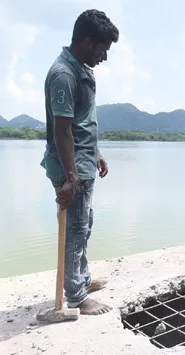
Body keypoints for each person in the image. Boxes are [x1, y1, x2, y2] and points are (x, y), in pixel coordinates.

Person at [39, 10, 119, 315]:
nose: (104, 57)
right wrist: (71, 179)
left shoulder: (82, 69)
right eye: (102, 49)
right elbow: (62, 130)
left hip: (83, 163)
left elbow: (82, 122)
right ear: (87, 42)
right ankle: (75, 296)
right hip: (70, 168)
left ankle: (81, 279)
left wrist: (96, 153)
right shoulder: (64, 74)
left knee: (84, 225)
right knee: (74, 229)